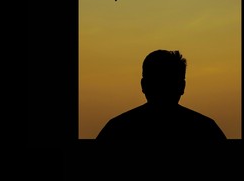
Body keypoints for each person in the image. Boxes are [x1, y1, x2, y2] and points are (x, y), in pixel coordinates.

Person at [95, 50, 227, 142]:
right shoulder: (205, 129)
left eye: (168, 82)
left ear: (143, 85)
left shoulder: (117, 129)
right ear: (182, 86)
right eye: (158, 82)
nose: (163, 88)